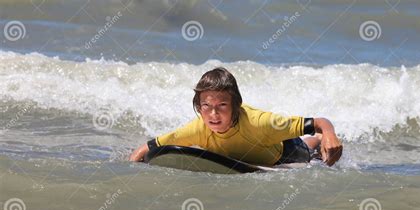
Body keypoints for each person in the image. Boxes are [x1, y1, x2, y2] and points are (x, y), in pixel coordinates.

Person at [129, 67, 342, 166]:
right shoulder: (197, 128)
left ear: (235, 105)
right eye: (206, 106)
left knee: (310, 150)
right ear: (199, 106)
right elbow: (148, 147)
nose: (213, 114)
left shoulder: (261, 123)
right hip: (250, 155)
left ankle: (317, 143)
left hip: (284, 153)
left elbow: (319, 122)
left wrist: (329, 135)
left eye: (222, 105)